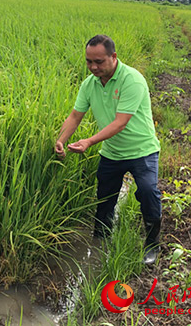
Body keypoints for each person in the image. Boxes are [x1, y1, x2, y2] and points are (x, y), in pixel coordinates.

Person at [54, 34, 162, 265]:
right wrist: (61, 140)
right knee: (104, 199)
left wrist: (89, 142)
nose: (93, 67)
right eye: (88, 61)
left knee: (147, 192)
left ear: (113, 57)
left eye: (99, 62)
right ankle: (99, 243)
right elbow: (75, 115)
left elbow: (120, 122)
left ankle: (152, 244)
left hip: (142, 150)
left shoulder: (132, 80)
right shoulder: (89, 84)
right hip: (112, 152)